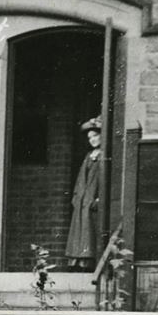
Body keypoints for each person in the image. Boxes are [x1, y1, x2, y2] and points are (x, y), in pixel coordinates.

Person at [65, 116, 103, 271]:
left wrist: (99, 199)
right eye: (90, 137)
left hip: (93, 201)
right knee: (79, 231)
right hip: (82, 201)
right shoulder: (89, 156)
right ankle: (77, 261)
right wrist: (76, 197)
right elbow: (81, 179)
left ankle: (88, 262)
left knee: (90, 232)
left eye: (95, 135)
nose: (92, 140)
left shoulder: (104, 156)